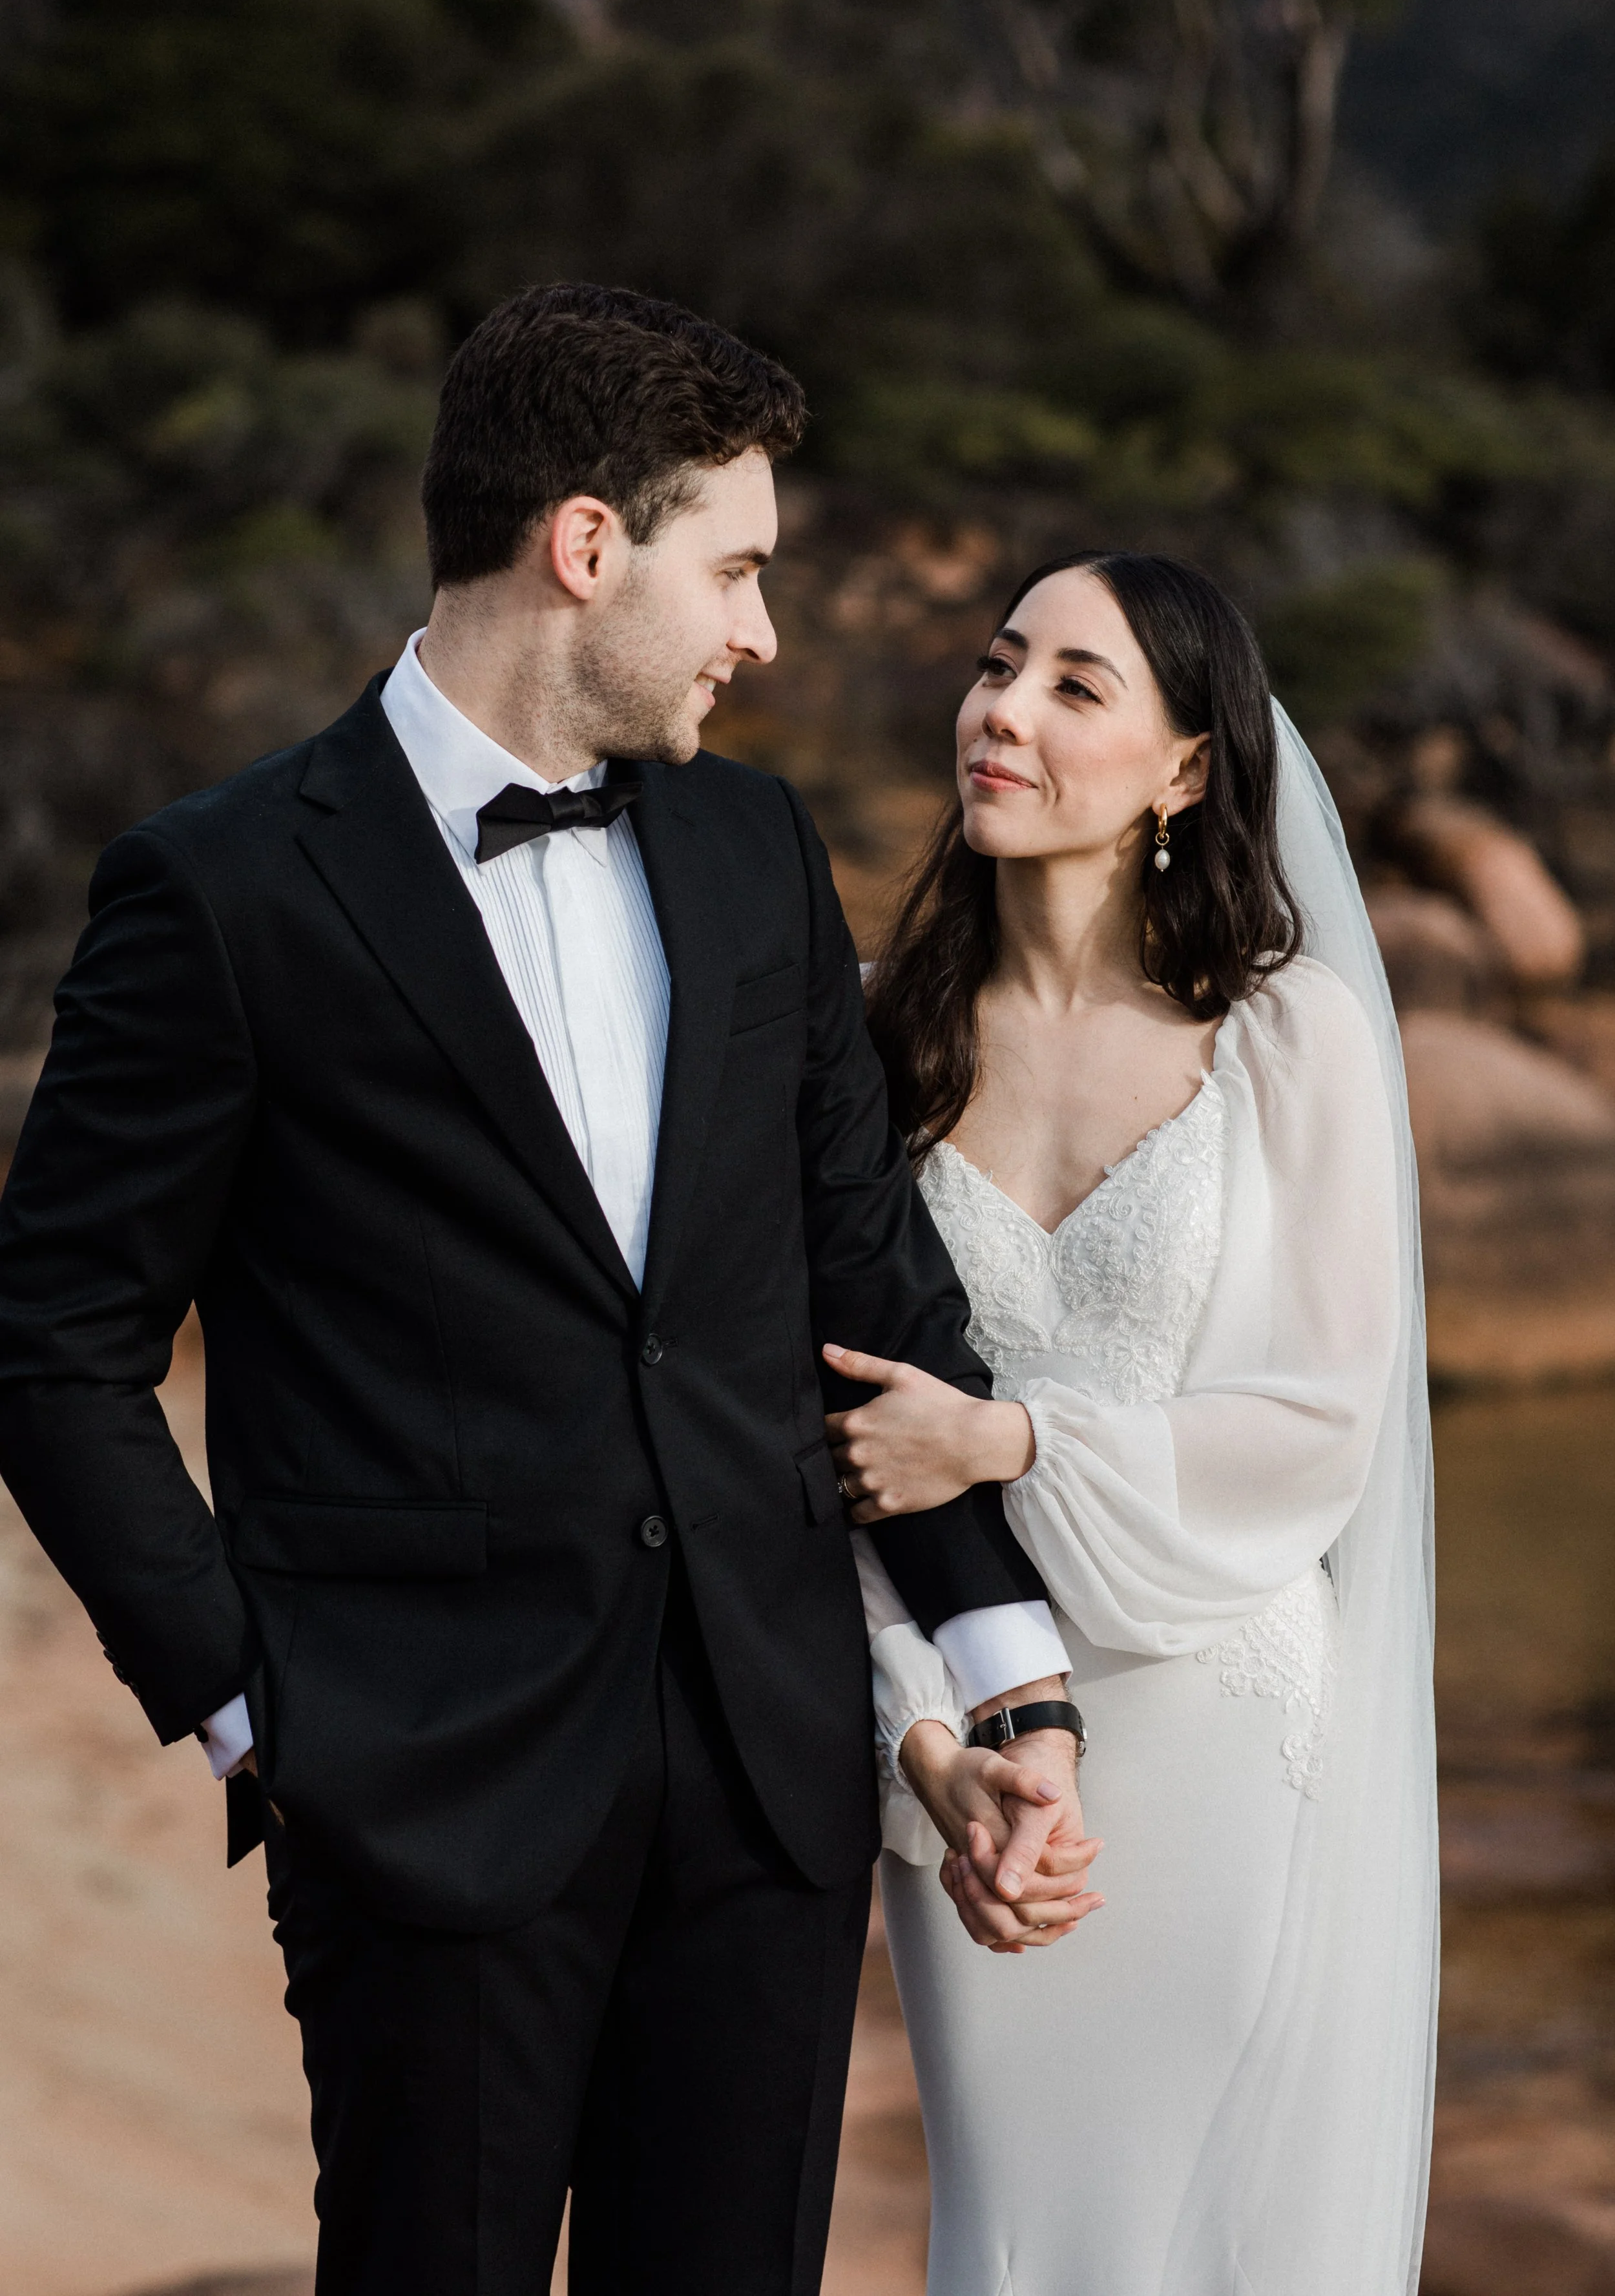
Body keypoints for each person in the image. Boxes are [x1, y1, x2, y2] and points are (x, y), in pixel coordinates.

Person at [0, 284, 1086, 2296]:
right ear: (586, 546)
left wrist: (1008, 1674)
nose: (763, 630)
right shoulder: (224, 888)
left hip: (768, 1783)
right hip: (419, 1791)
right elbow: (51, 1341)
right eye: (737, 565)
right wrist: (256, 1712)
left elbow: (871, 1274)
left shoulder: (759, 845)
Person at [824, 550, 1438, 2295]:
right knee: (1016, 2228)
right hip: (993, 1768)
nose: (1001, 712)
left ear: (1183, 768)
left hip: (1225, 1730)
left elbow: (1325, 1418)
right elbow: (837, 1437)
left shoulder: (1286, 1039)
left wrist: (1013, 1442)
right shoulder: (876, 1045)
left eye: (1073, 685)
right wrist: (923, 1749)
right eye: (995, 663)